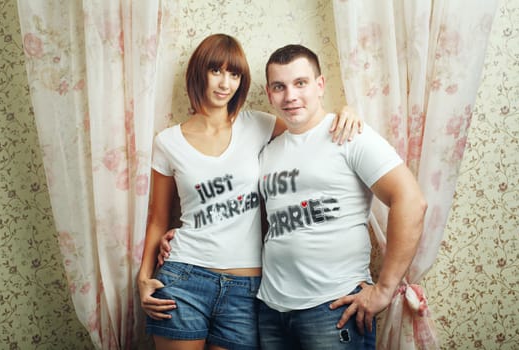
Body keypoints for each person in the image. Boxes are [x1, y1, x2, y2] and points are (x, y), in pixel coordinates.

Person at [137, 34, 362, 350]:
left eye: (234, 74)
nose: (224, 83)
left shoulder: (259, 124)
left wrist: (346, 113)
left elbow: (311, 128)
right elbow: (158, 218)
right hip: (184, 278)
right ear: (199, 72)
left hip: (247, 287)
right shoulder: (167, 142)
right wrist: (144, 278)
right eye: (216, 71)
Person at [254, 45, 427, 349]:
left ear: (320, 85)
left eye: (300, 83)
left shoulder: (349, 135)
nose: (290, 96)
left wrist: (384, 289)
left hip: (332, 308)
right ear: (269, 93)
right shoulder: (268, 150)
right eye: (279, 87)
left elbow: (411, 201)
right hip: (272, 309)